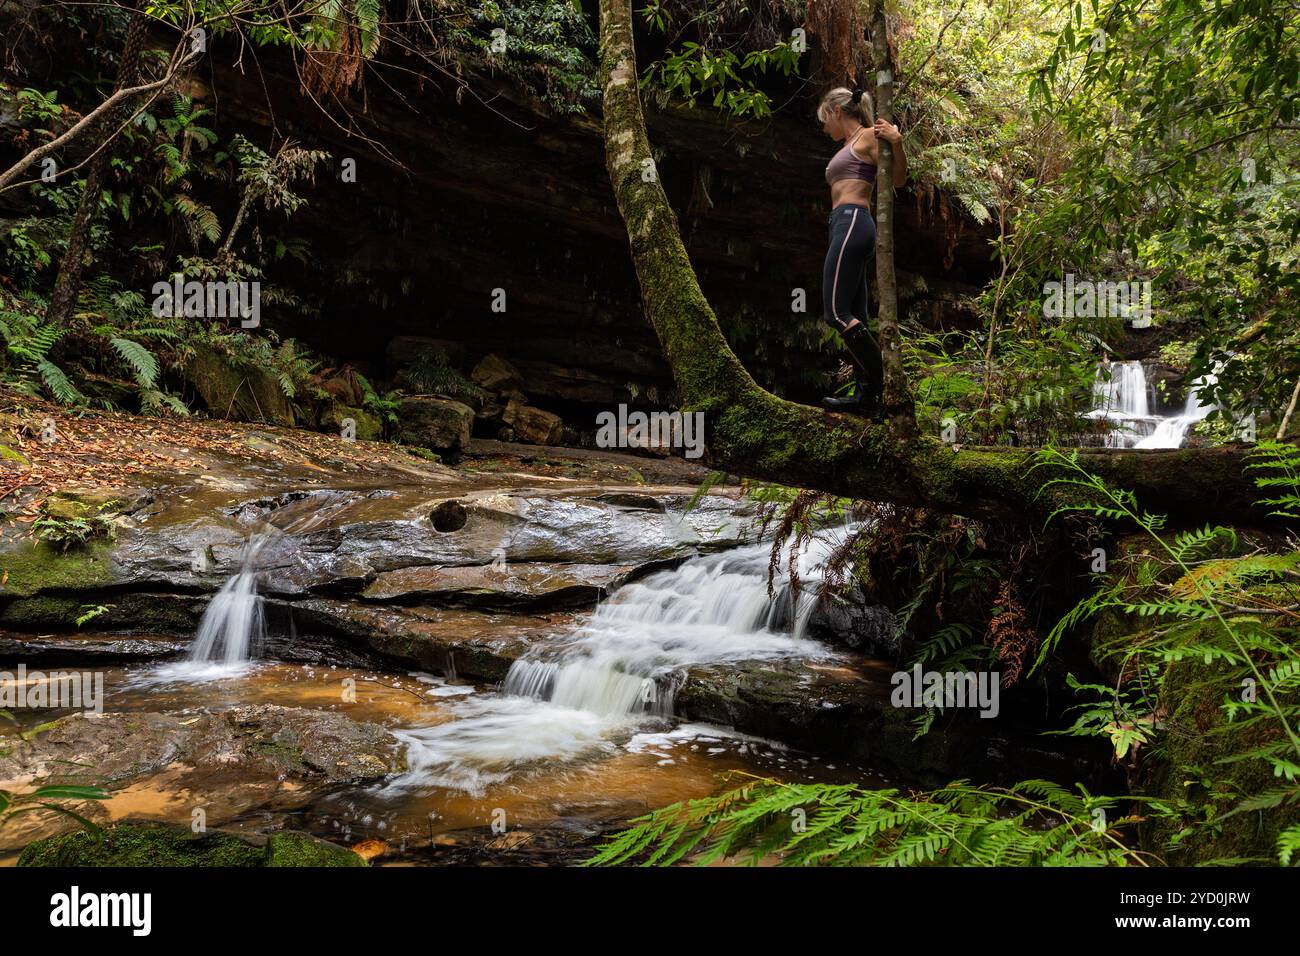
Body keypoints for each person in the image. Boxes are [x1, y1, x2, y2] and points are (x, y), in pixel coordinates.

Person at [817, 85, 907, 413]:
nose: (824, 126)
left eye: (825, 119)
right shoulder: (848, 144)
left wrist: (897, 143)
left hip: (854, 220)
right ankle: (867, 399)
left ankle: (890, 388)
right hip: (843, 225)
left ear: (837, 112)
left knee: (836, 313)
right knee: (857, 318)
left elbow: (897, 178)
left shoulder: (869, 135)